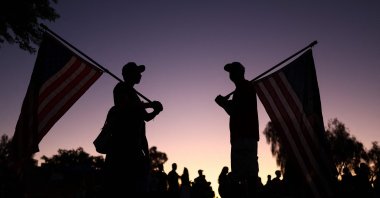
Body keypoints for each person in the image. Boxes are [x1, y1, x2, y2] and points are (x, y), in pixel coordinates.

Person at [103, 62, 163, 197]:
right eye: (137, 72)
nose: (140, 75)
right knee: (123, 185)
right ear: (128, 74)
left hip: (136, 146)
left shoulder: (134, 94)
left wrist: (156, 111)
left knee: (135, 186)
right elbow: (124, 108)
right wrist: (148, 104)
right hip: (122, 145)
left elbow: (145, 118)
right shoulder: (121, 88)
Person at [215, 62, 259, 198]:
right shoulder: (244, 88)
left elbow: (235, 110)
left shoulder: (244, 88)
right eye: (230, 72)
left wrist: (223, 103)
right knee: (249, 173)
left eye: (232, 71)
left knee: (242, 175)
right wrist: (225, 103)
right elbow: (235, 109)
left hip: (242, 136)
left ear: (239, 73)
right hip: (247, 135)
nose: (230, 74)